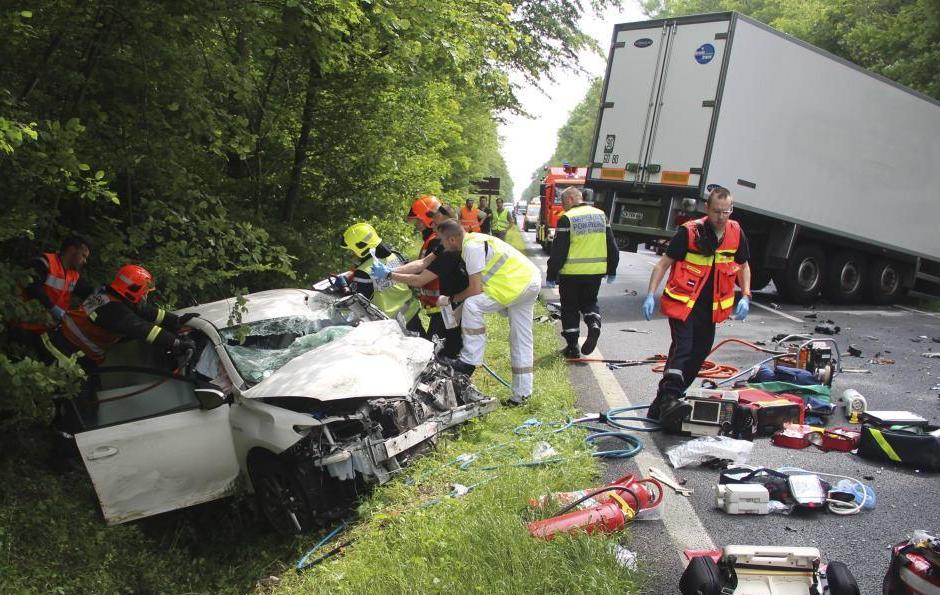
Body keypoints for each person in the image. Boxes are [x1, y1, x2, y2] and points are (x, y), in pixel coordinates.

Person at [642, 187, 751, 431]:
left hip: (709, 309)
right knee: (684, 347)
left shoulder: (735, 233)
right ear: (706, 209)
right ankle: (670, 398)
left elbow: (743, 266)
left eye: (727, 212)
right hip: (684, 304)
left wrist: (745, 295)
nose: (722, 217)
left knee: (699, 352)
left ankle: (660, 405)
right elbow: (663, 264)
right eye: (717, 211)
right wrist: (650, 294)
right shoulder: (689, 232)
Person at [434, 219, 540, 406]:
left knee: (473, 305)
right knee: (521, 339)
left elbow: (475, 290)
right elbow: (481, 286)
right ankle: (522, 395)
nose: (441, 244)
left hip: (516, 286)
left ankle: (468, 361)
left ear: (451, 239)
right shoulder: (476, 239)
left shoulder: (471, 249)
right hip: (529, 281)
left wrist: (452, 300)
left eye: (442, 240)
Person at [40, 264, 198, 369]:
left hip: (64, 348)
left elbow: (145, 311)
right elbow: (143, 329)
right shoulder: (114, 310)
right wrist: (177, 343)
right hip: (63, 355)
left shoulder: (109, 297)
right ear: (133, 291)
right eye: (144, 293)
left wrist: (175, 320)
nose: (145, 297)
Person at [374, 202, 468, 359]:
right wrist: (391, 270)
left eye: (436, 224)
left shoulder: (449, 251)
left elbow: (419, 280)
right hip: (445, 304)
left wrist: (389, 275)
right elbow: (422, 263)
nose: (433, 228)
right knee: (438, 347)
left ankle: (454, 378)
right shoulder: (443, 243)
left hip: (455, 305)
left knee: (444, 350)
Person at [545, 187, 620, 358]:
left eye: (563, 202)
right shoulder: (601, 215)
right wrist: (612, 269)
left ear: (571, 199)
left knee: (569, 308)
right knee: (589, 303)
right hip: (595, 273)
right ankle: (594, 323)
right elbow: (612, 245)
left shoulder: (567, 218)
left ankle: (572, 348)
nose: (563, 206)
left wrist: (551, 274)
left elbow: (559, 251)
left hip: (571, 274)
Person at [12, 236, 95, 348]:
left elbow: (86, 291)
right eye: (83, 256)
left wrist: (105, 293)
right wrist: (52, 308)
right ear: (72, 250)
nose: (84, 261)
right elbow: (33, 288)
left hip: (46, 329)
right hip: (25, 325)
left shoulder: (73, 274)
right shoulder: (44, 262)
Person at [341, 222, 422, 335]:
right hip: (412, 313)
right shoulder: (396, 255)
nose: (351, 253)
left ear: (360, 247)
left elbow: (359, 304)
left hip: (392, 326)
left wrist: (344, 290)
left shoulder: (363, 272)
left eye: (351, 250)